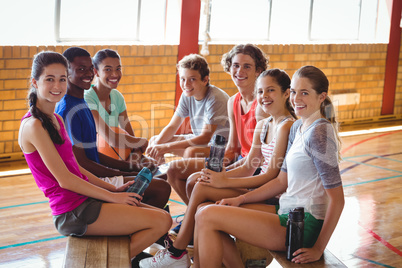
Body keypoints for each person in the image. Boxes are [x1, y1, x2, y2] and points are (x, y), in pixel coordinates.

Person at [18, 51, 172, 267]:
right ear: (35, 82)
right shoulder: (34, 125)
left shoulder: (56, 119)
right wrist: (113, 198)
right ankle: (112, 263)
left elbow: (77, 169)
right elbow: (66, 180)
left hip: (84, 200)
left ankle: (122, 260)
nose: (57, 85)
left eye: (62, 79)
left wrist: (114, 190)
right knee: (161, 221)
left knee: (162, 218)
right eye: (49, 79)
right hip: (71, 211)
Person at [139, 68, 296, 268]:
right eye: (260, 91)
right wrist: (218, 176)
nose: (264, 96)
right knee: (201, 193)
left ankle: (177, 252)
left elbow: (272, 176)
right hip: (256, 190)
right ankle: (194, 256)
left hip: (270, 197)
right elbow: (250, 165)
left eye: (270, 90)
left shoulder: (286, 126)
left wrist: (225, 181)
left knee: (202, 189)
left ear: (285, 93)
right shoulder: (263, 124)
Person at [193, 66, 345, 267]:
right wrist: (240, 199)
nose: (296, 98)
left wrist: (318, 248)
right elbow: (281, 181)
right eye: (294, 92)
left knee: (207, 214)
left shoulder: (320, 133)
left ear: (321, 97)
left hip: (303, 224)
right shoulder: (299, 127)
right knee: (204, 209)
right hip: (286, 211)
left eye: (305, 93)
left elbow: (338, 199)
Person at [56, 47, 170, 209]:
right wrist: (123, 173)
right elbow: (81, 163)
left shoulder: (81, 103)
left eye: (89, 69)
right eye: (81, 69)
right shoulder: (70, 108)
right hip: (88, 181)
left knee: (156, 176)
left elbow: (92, 154)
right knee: (160, 188)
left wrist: (132, 166)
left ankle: (137, 220)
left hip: (100, 170)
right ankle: (134, 222)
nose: (88, 74)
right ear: (66, 73)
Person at [165, 44, 269, 216]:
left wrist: (224, 175)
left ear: (258, 70)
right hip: (239, 161)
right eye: (235, 65)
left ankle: (193, 224)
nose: (239, 71)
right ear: (229, 68)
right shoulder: (233, 101)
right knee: (176, 171)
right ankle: (195, 220)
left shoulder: (263, 106)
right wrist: (214, 168)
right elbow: (232, 149)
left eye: (247, 66)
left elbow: (258, 159)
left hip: (255, 171)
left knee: (196, 182)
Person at [145, 54, 230, 163]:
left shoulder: (215, 98)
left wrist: (166, 147)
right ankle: (158, 176)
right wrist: (157, 146)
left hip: (222, 147)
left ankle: (184, 178)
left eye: (192, 79)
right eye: (183, 79)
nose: (186, 84)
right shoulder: (187, 94)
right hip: (201, 141)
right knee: (154, 141)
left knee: (190, 152)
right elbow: (172, 126)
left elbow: (205, 138)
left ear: (205, 80)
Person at [85, 49, 154, 166]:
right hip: (97, 159)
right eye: (108, 69)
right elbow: (111, 139)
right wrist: (142, 142)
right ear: (96, 72)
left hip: (120, 156)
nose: (115, 74)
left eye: (118, 69)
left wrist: (132, 159)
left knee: (155, 167)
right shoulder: (88, 97)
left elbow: (130, 136)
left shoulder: (117, 97)